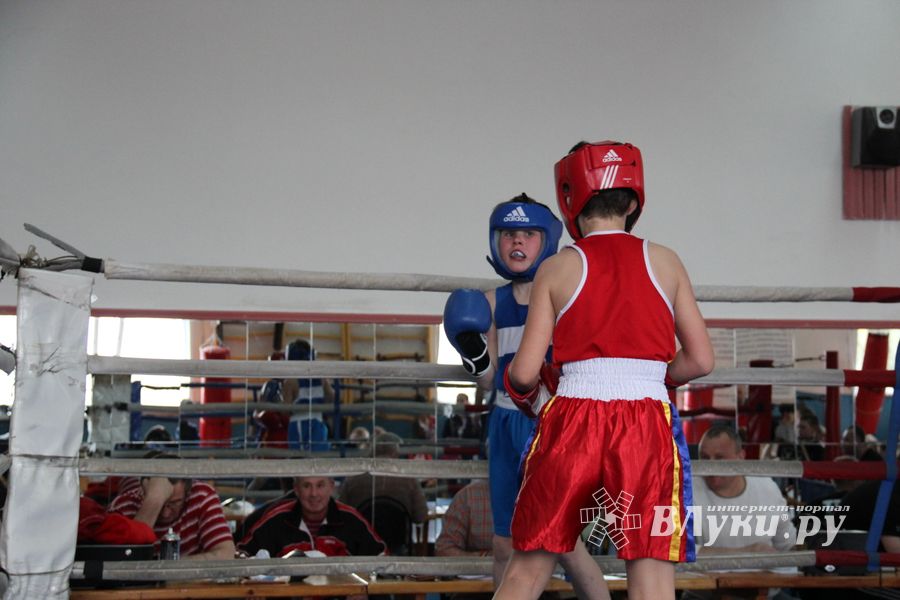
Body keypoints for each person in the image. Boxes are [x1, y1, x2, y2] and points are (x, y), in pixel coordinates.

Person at [496, 141, 715, 600]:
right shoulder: (666, 261)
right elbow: (700, 360)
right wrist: (657, 378)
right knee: (651, 577)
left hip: (571, 418)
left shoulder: (556, 269)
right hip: (645, 422)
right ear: (634, 201)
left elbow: (522, 374)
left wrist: (527, 393)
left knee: (527, 570)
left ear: (570, 198)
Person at [444, 193, 609, 596]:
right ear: (494, 241)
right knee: (504, 543)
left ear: (546, 240)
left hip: (553, 425)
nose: (517, 243)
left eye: (528, 234)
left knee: (565, 544)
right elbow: (488, 383)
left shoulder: (563, 293)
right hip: (504, 422)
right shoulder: (489, 303)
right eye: (508, 234)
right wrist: (474, 353)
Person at [693, 425, 796, 553]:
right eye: (705, 458)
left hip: (762, 573)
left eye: (720, 458)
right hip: (710, 573)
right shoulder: (688, 491)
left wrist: (817, 555)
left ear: (740, 457)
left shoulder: (767, 489)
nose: (711, 465)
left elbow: (788, 544)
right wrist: (746, 554)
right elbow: (675, 548)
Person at [107, 457, 235, 560]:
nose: (166, 513)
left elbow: (225, 553)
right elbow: (118, 562)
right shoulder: (122, 506)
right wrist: (153, 500)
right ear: (142, 490)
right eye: (161, 504)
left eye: (175, 503)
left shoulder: (201, 496)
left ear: (188, 492)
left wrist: (168, 570)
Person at [237, 475, 387, 557]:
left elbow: (381, 557)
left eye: (320, 485)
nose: (314, 493)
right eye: (306, 486)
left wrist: (363, 588)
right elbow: (242, 554)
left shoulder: (352, 520)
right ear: (296, 490)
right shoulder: (275, 521)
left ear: (331, 487)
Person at [337, 432, 428, 528]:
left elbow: (340, 514)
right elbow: (420, 517)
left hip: (361, 540)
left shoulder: (352, 479)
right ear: (395, 453)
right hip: (398, 541)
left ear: (372, 451)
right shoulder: (410, 479)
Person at [280, 339, 334, 451]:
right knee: (318, 459)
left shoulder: (290, 382)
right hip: (318, 422)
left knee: (299, 461)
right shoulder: (322, 379)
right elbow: (331, 397)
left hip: (298, 424)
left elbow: (285, 409)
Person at [436, 479, 493, 557]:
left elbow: (420, 516)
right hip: (480, 568)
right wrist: (486, 557)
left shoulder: (469, 496)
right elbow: (444, 550)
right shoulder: (468, 496)